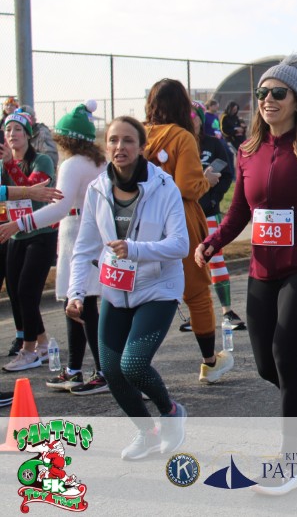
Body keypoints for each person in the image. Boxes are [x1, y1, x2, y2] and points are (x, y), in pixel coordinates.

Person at [198, 54, 297, 496]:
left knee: (287, 358)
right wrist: (213, 242)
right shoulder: (248, 151)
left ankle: (290, 463)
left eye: (278, 93)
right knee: (268, 366)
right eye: (262, 93)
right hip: (262, 269)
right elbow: (239, 212)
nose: (268, 99)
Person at [65, 116, 188, 459]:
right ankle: (147, 434)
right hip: (115, 289)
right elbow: (85, 246)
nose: (120, 147)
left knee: (133, 364)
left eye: (128, 140)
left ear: (142, 147)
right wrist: (76, 293)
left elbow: (180, 244)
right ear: (106, 146)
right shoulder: (97, 189)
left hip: (157, 287)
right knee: (111, 370)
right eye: (113, 140)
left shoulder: (164, 187)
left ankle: (171, 413)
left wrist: (135, 250)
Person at [0, 102, 108, 393]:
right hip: (89, 233)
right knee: (79, 304)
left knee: (81, 305)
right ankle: (75, 369)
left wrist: (19, 224)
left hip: (77, 235)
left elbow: (59, 206)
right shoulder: (97, 161)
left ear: (65, 138)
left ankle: (100, 371)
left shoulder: (72, 164)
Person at [144, 79, 234, 383]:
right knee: (196, 292)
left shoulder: (139, 134)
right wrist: (207, 179)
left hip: (143, 221)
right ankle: (209, 362)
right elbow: (187, 187)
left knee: (143, 292)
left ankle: (136, 362)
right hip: (177, 219)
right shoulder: (181, 136)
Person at [1, 111, 57, 372]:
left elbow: (34, 191)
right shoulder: (3, 164)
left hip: (40, 233)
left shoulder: (41, 160)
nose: (12, 134)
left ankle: (28, 350)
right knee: (16, 293)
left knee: (27, 291)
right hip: (15, 233)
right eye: (8, 130)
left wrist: (10, 165)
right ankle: (42, 344)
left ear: (28, 135)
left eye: (17, 129)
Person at [190, 103, 245, 332]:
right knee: (186, 263)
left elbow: (227, 175)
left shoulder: (213, 144)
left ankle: (227, 311)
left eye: (193, 115)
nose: (189, 119)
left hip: (209, 212)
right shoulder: (178, 144)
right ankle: (193, 314)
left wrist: (213, 198)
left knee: (215, 259)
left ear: (201, 119)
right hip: (184, 214)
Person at [0, 181, 63, 359]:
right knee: (21, 292)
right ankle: (38, 344)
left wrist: (27, 191)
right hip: (16, 233)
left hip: (37, 235)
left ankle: (34, 346)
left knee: (24, 292)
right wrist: (28, 191)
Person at [19, 105, 59, 176]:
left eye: (24, 117)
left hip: (38, 172)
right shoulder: (18, 133)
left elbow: (51, 157)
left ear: (32, 118)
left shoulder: (42, 133)